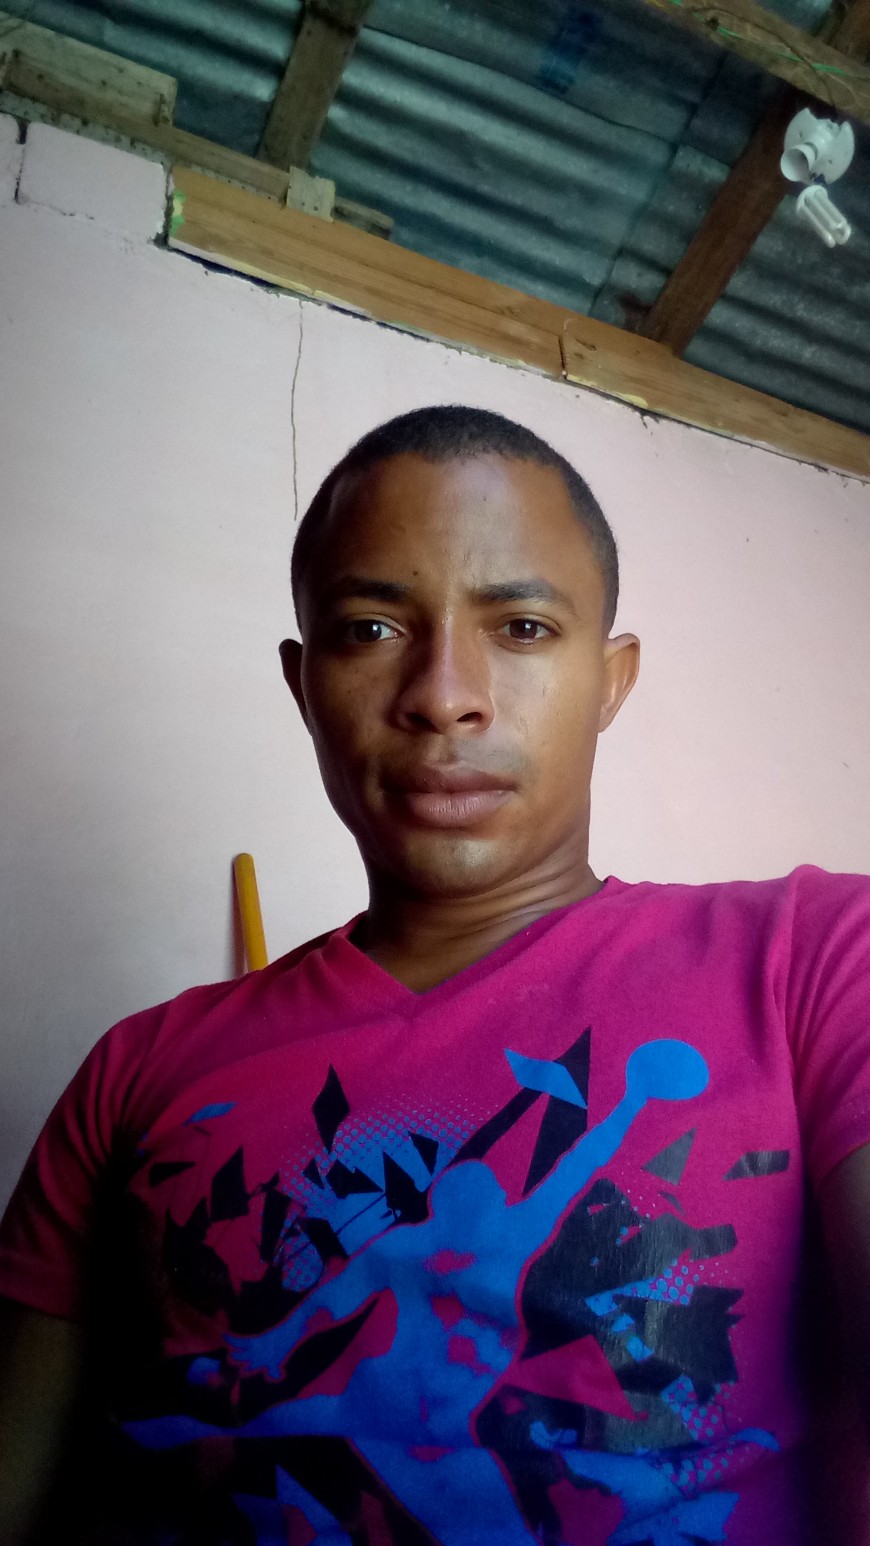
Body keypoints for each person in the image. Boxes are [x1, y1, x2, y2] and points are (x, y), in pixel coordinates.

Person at [0, 404, 868, 1546]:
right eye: (370, 629)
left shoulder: (819, 959)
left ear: (611, 681)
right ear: (304, 683)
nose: (444, 693)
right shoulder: (136, 1072)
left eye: (521, 625)